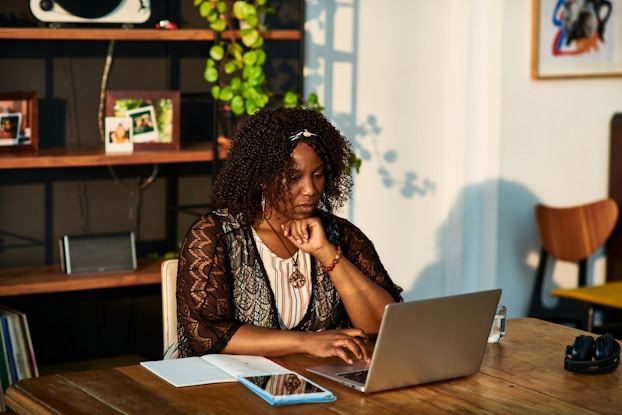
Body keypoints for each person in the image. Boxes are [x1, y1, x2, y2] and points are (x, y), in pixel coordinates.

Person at [175, 107, 403, 364]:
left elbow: (383, 326)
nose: (310, 189)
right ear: (262, 178)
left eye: (318, 175)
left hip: (318, 382)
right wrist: (305, 343)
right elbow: (207, 334)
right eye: (294, 177)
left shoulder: (341, 235)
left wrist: (325, 252)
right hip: (228, 387)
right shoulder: (217, 236)